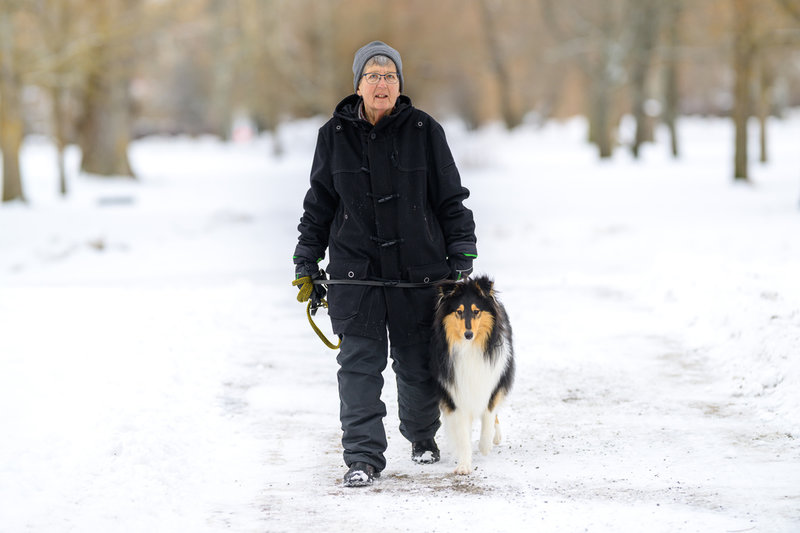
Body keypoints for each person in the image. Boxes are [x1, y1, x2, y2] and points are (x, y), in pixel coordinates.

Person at [292, 41, 477, 487]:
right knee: (358, 367)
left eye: (390, 76)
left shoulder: (424, 130)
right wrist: (306, 260)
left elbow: (450, 199)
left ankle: (421, 436)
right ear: (357, 85)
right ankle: (362, 458)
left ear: (400, 84)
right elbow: (319, 205)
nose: (382, 84)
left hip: (420, 275)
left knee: (416, 367)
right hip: (355, 274)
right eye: (373, 76)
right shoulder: (332, 136)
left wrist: (462, 253)